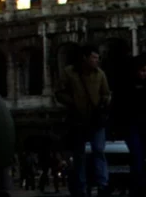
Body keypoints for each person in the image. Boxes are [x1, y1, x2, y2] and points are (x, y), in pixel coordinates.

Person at [54, 45, 111, 197]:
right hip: (77, 119)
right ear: (85, 58)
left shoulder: (100, 74)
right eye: (93, 58)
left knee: (99, 151)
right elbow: (59, 92)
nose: (96, 61)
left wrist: (104, 102)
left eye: (98, 58)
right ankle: (81, 186)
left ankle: (102, 184)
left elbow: (106, 93)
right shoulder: (69, 72)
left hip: (96, 119)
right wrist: (72, 102)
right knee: (79, 155)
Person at [112, 53, 146, 197]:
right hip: (133, 125)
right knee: (137, 157)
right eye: (143, 71)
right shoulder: (126, 84)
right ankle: (138, 187)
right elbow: (117, 106)